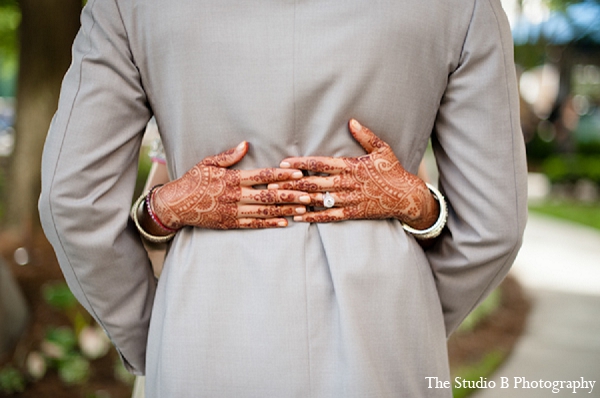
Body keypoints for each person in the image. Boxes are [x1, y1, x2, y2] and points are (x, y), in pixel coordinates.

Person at [39, 1, 528, 397]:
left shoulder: (128, 7)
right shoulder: (464, 8)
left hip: (203, 335)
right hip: (386, 345)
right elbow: (495, 222)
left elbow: (72, 201)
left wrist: (153, 333)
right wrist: (409, 315)